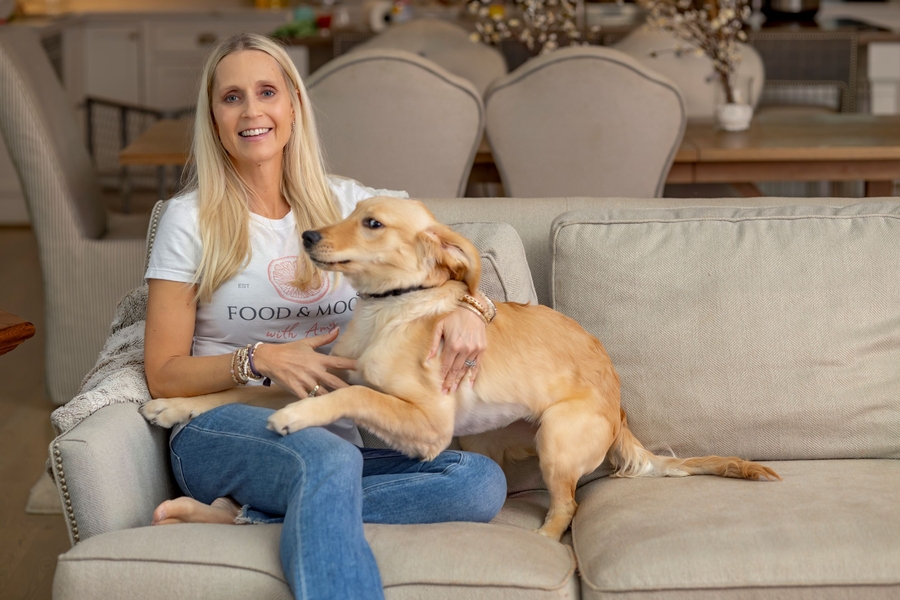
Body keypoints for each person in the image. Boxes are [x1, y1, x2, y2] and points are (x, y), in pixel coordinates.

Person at [142, 33, 507, 600]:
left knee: (477, 481)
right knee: (329, 458)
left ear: (294, 104)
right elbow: (163, 374)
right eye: (232, 97)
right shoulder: (187, 220)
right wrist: (259, 359)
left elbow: (440, 252)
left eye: (267, 92)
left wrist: (472, 306)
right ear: (213, 118)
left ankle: (248, 518)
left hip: (336, 431)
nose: (252, 111)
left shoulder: (351, 206)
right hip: (222, 431)